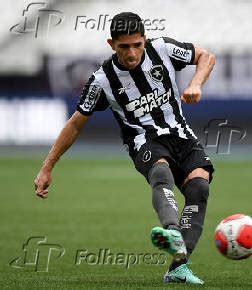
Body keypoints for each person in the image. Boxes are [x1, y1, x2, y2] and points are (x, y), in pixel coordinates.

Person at [33, 12, 216, 284]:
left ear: (145, 40)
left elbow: (206, 56)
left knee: (199, 186)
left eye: (137, 45)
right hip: (144, 141)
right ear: (111, 44)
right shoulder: (102, 80)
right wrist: (47, 167)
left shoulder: (163, 49)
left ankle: (179, 265)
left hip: (181, 135)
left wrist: (196, 82)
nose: (132, 53)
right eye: (124, 46)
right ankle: (172, 230)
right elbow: (74, 124)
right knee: (161, 171)